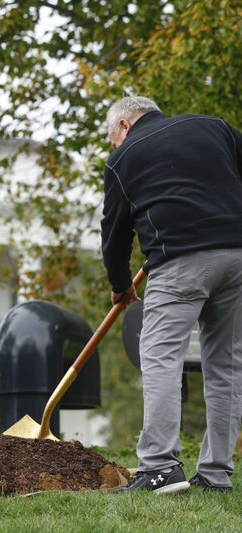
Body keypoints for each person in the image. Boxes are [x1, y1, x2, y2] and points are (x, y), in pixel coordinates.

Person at [101, 96, 242, 494]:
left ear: (125, 125)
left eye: (114, 138)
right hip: (237, 256)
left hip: (179, 263)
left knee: (161, 358)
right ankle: (216, 474)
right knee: (227, 366)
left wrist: (120, 285)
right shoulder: (213, 125)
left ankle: (160, 466)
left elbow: (114, 233)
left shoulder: (123, 158)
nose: (115, 147)